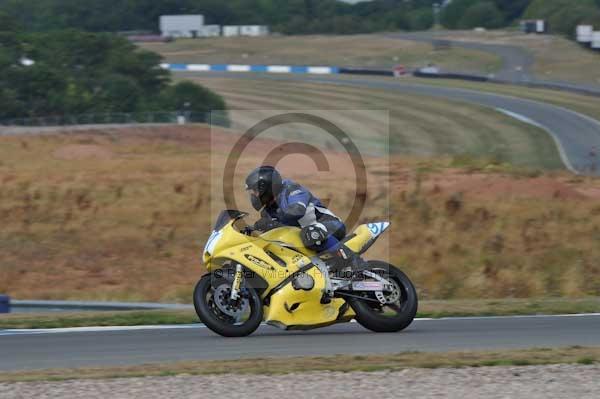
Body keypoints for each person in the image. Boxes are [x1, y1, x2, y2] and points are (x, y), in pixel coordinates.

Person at [244, 165, 352, 261]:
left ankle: (354, 262)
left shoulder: (292, 190)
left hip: (330, 226)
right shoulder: (267, 211)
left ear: (266, 188)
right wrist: (253, 230)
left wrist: (273, 223)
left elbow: (297, 211)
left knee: (310, 233)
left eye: (255, 191)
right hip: (306, 237)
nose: (254, 196)